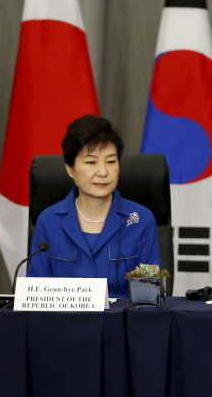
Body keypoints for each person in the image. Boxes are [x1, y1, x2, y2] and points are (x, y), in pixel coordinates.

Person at [27, 115, 161, 298]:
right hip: (64, 324)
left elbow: (149, 297)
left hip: (122, 323)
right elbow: (36, 296)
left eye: (111, 161)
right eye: (91, 162)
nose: (103, 172)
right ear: (70, 169)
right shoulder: (49, 221)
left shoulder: (140, 219)